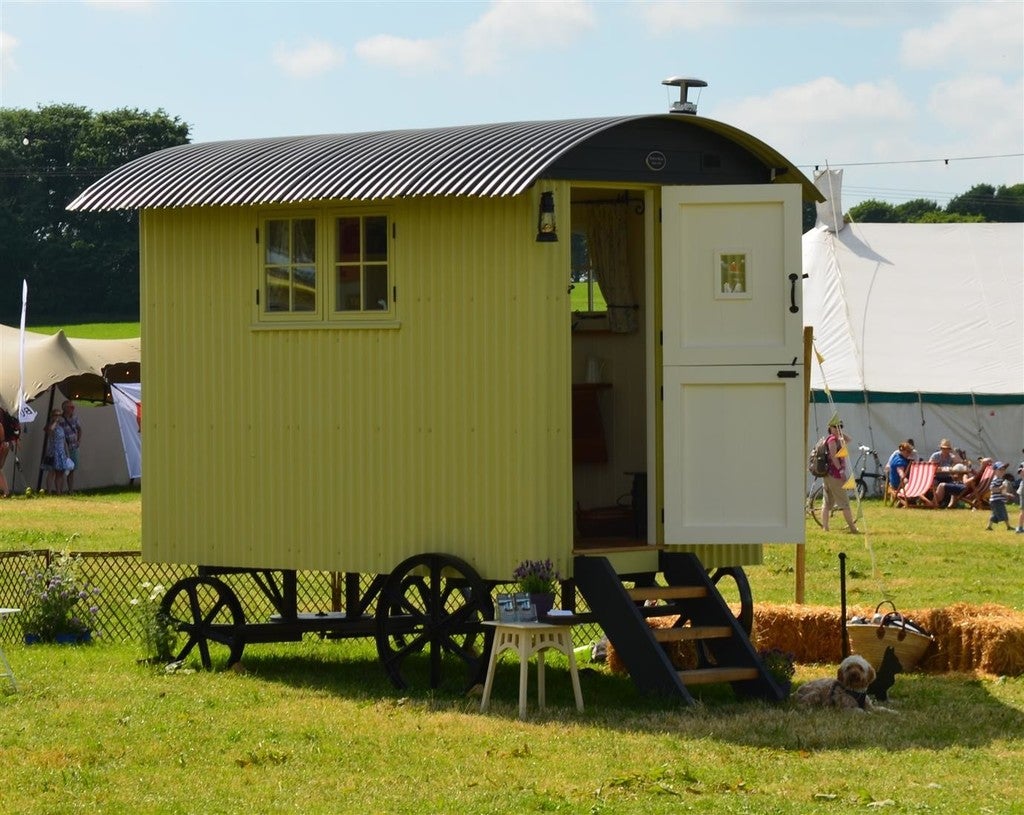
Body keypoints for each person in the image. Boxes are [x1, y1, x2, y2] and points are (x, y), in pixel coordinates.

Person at [822, 421, 859, 534]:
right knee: (844, 502)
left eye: (840, 427)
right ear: (830, 428)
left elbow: (849, 439)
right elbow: (834, 457)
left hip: (828, 475)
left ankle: (825, 527)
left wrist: (840, 432)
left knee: (827, 503)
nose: (838, 429)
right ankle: (852, 528)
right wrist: (841, 470)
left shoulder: (836, 439)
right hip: (835, 475)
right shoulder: (832, 440)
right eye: (836, 427)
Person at [43, 409, 73, 495]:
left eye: (59, 415)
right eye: (56, 415)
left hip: (61, 452)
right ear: (52, 416)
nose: (58, 417)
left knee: (60, 472)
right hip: (53, 452)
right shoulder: (50, 426)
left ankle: (59, 491)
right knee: (51, 472)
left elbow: (63, 441)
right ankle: (49, 492)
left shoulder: (61, 427)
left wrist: (66, 452)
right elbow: (50, 430)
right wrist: (55, 421)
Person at [59, 400, 82, 494]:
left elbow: (79, 429)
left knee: (72, 469)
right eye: (70, 407)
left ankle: (70, 490)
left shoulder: (75, 418)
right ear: (65, 408)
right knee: (61, 469)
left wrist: (79, 440)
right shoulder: (60, 419)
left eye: (73, 407)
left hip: (73, 447)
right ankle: (60, 490)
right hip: (63, 447)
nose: (73, 409)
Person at [985, 461, 1013, 531]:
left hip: (997, 500)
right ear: (995, 471)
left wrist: (1008, 494)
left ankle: (989, 526)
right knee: (1004, 513)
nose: (1002, 471)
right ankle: (1008, 526)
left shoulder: (1001, 480)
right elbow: (992, 489)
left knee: (994, 515)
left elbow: (1002, 492)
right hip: (996, 500)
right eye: (1000, 469)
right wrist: (1001, 487)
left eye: (1003, 469)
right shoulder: (995, 480)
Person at [0, 407, 19, 498]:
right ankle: (6, 491)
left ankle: (6, 492)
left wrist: (3, 441)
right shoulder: (5, 413)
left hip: (2, 444)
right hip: (5, 444)